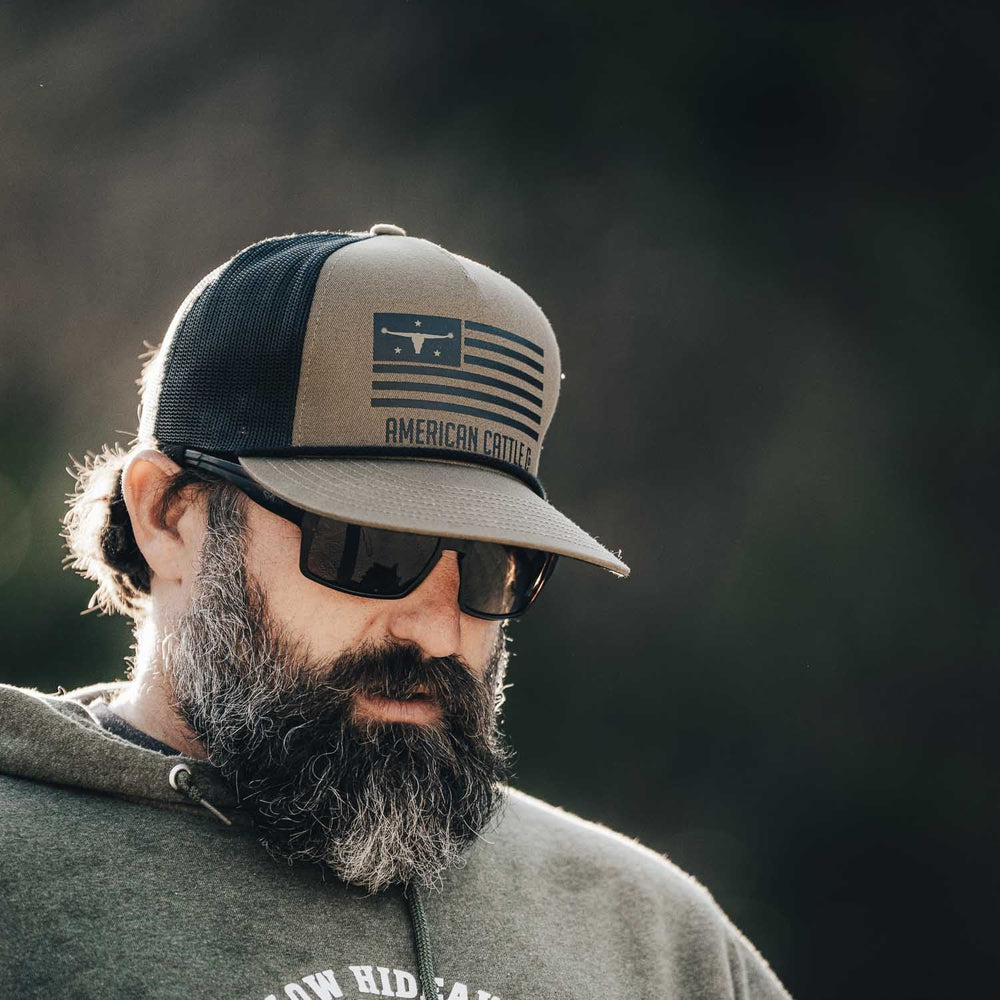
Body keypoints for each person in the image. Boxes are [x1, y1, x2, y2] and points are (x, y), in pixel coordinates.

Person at [0, 225, 791, 999]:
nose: (439, 629)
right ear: (169, 515)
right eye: (369, 548)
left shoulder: (656, 940)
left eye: (489, 566)